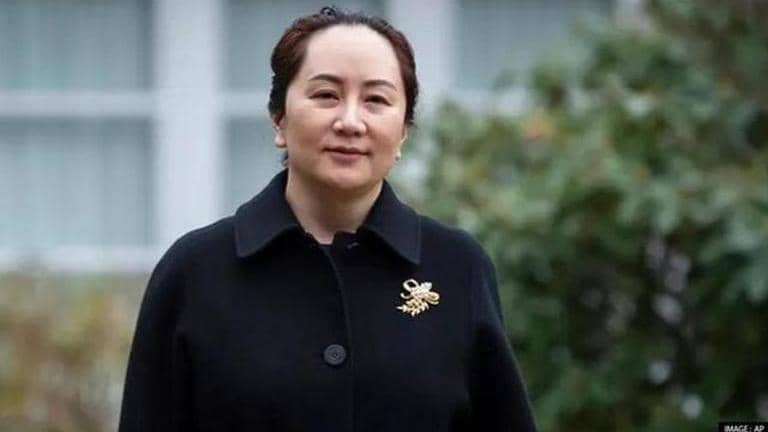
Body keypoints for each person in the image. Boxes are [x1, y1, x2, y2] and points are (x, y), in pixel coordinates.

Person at [118, 6, 536, 432]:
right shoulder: (196, 271)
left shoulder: (457, 267)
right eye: (326, 95)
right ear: (279, 118)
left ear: (404, 131)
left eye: (376, 100)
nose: (350, 122)